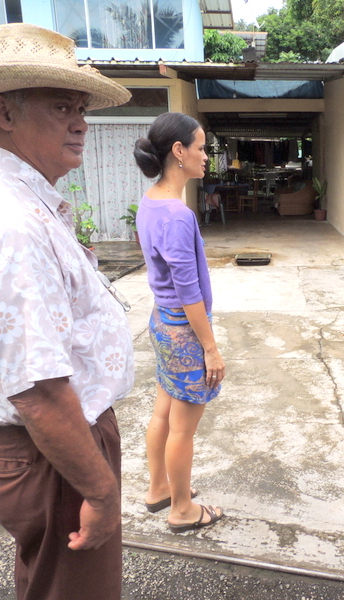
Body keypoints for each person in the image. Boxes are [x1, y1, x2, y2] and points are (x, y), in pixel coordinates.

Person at [0, 23, 134, 600]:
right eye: (62, 106)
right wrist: (101, 491)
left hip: (53, 448)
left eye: (81, 108)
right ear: (4, 112)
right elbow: (39, 390)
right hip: (54, 452)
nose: (81, 122)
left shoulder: (12, 199)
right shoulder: (9, 222)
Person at [133, 113, 226, 533]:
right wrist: (210, 347)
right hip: (184, 331)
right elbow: (189, 292)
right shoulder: (176, 214)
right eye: (201, 148)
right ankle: (182, 509)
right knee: (182, 430)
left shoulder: (150, 201)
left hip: (162, 322)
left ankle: (159, 489)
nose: (205, 156)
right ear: (178, 151)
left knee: (163, 413)